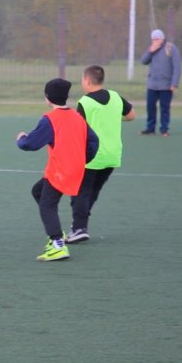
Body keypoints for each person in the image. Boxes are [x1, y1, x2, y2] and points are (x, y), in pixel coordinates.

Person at [17, 78, 99, 261]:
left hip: (60, 171)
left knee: (47, 204)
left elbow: (31, 144)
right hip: (74, 169)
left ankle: (57, 244)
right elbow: (94, 141)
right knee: (38, 191)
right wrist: (83, 159)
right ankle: (56, 234)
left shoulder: (50, 119)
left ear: (47, 97)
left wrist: (21, 139)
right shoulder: (77, 117)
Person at [68, 65, 136, 243]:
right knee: (93, 191)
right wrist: (112, 117)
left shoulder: (85, 102)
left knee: (80, 191)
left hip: (92, 156)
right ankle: (80, 225)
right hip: (112, 156)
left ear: (88, 81)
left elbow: (78, 130)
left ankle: (79, 228)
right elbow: (131, 115)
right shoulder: (115, 96)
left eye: (82, 79)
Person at [140, 29, 182, 136]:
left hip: (166, 86)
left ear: (162, 39)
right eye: (153, 39)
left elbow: (177, 67)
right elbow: (143, 61)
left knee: (164, 109)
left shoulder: (171, 48)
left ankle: (164, 129)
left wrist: (174, 83)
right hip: (152, 85)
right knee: (150, 107)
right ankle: (150, 128)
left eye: (157, 39)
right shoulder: (152, 49)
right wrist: (151, 51)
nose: (155, 41)